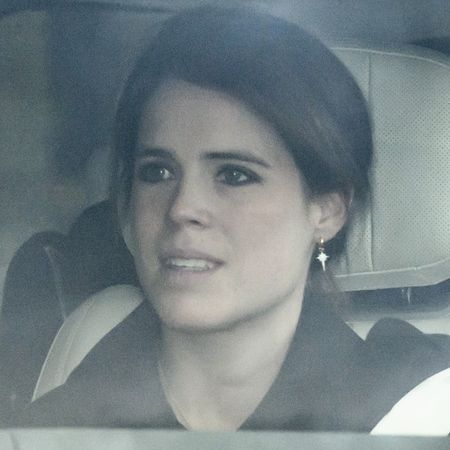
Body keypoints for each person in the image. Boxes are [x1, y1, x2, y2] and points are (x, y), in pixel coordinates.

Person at [17, 5, 450, 432]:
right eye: (158, 172)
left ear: (328, 210)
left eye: (235, 175)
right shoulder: (54, 430)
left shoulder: (420, 410)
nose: (182, 207)